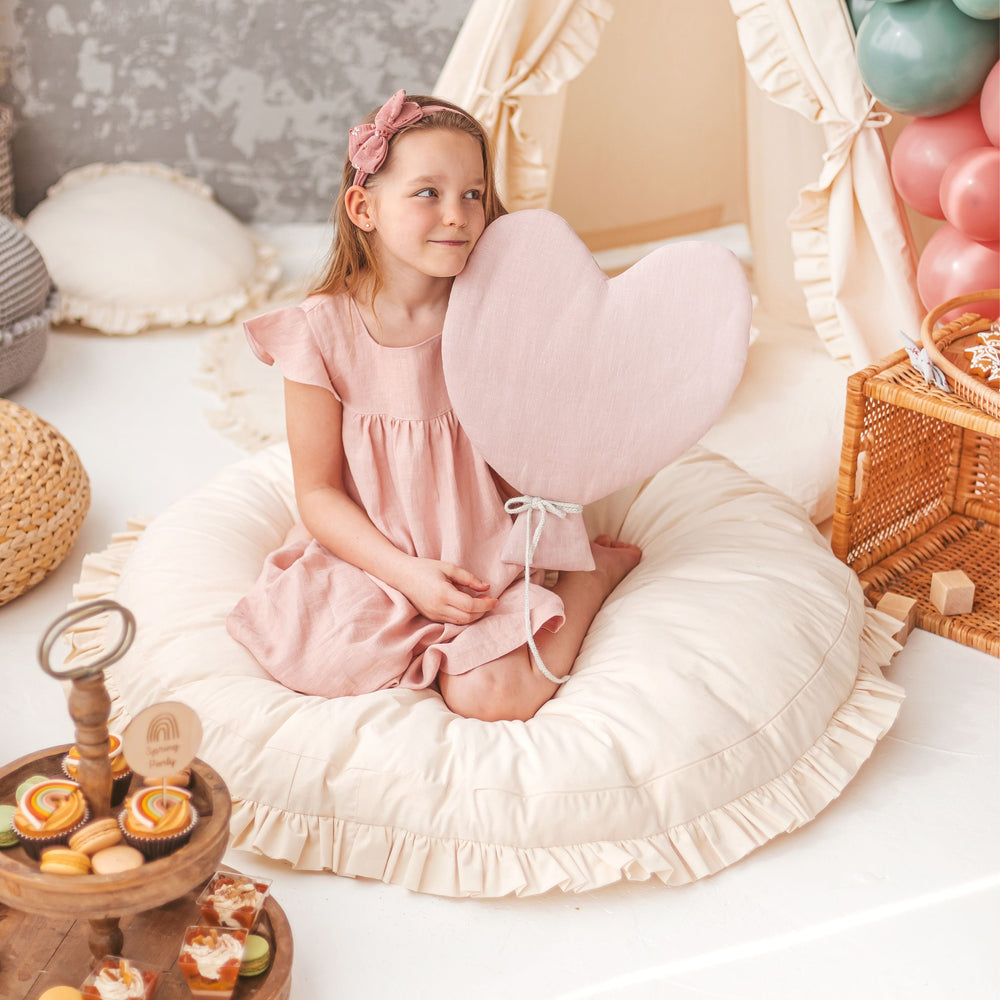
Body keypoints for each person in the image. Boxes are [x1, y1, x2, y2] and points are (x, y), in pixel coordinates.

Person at [227, 90, 641, 721]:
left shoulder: (498, 313)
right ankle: (426, 624)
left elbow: (547, 435)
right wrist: (408, 574)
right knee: (312, 655)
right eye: (427, 193)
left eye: (472, 194)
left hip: (491, 550)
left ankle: (591, 580)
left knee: (490, 697)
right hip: (378, 555)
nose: (457, 214)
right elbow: (318, 494)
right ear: (364, 208)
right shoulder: (319, 332)